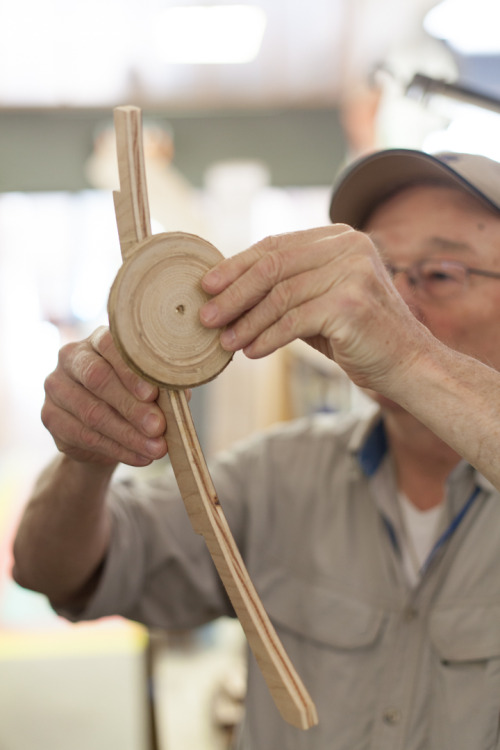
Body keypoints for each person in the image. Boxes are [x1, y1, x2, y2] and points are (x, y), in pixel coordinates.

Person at [11, 147, 500, 749]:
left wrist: (411, 357)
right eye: (380, 273)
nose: (391, 302)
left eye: (441, 273)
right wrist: (87, 454)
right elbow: (54, 571)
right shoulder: (279, 474)